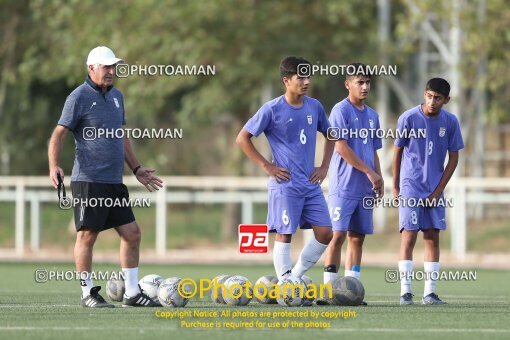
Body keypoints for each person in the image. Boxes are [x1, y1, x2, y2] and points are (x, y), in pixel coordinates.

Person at [48, 46, 163, 308]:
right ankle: (88, 293)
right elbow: (58, 134)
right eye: (106, 67)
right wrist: (54, 165)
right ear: (91, 68)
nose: (111, 71)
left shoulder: (117, 97)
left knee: (132, 234)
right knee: (87, 236)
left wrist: (136, 168)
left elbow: (121, 137)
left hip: (114, 182)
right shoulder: (77, 97)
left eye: (114, 67)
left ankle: (132, 294)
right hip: (88, 180)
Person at [236, 56, 334, 282]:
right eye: (301, 77)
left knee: (325, 233)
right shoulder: (271, 109)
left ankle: (293, 279)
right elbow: (242, 138)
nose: (306, 81)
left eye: (308, 76)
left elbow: (331, 135)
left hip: (310, 184)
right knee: (285, 234)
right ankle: (286, 283)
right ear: (286, 80)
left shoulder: (315, 106)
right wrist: (267, 166)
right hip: (285, 184)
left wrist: (324, 166)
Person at [393, 78, 464, 305]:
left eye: (438, 98)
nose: (432, 102)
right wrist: (396, 186)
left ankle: (429, 293)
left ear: (447, 100)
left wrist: (438, 190)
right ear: (424, 94)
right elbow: (397, 152)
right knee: (409, 235)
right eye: (430, 96)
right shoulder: (409, 118)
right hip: (411, 186)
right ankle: (405, 292)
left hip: (435, 188)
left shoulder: (450, 122)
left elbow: (454, 158)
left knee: (432, 237)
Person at [320, 63, 383, 305]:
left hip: (366, 187)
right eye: (360, 82)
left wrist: (379, 176)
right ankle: (327, 293)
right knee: (337, 236)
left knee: (358, 238)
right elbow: (340, 146)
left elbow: (374, 150)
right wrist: (369, 172)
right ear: (348, 84)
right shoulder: (340, 110)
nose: (365, 86)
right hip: (343, 187)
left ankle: (351, 290)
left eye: (368, 82)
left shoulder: (373, 115)